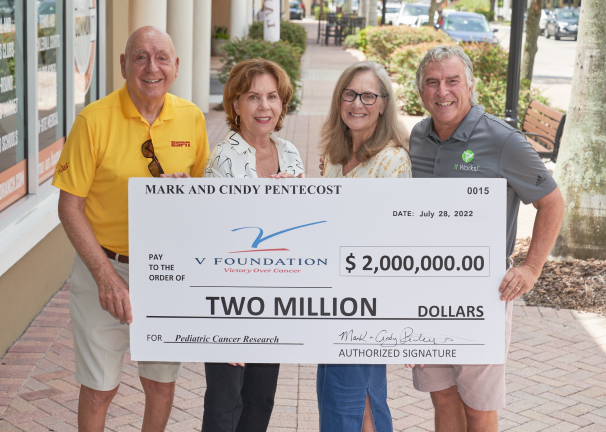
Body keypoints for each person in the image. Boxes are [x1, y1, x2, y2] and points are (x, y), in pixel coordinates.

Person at [52, 26, 210, 432]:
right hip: (103, 268)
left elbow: (209, 199)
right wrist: (105, 277)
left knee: (160, 383)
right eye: (140, 56)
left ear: (175, 66)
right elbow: (69, 206)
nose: (151, 67)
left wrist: (190, 193)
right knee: (99, 389)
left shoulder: (191, 118)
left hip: (166, 273)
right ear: (123, 65)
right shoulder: (93, 120)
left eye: (161, 57)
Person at [408, 45, 565, 431]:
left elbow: (553, 203)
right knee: (442, 395)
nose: (442, 91)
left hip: (481, 291)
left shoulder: (503, 140)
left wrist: (531, 268)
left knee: (478, 406)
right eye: (432, 82)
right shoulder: (419, 137)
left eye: (452, 81)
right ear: (420, 91)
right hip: (428, 289)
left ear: (470, 86)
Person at [202, 58, 303, 432]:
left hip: (274, 298)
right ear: (235, 105)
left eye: (272, 97)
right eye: (253, 97)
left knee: (261, 400)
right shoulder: (224, 159)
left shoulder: (289, 153)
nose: (264, 107)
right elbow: (214, 242)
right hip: (230, 299)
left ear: (283, 103)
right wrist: (229, 330)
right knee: (226, 403)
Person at [317, 61, 411, 432]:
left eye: (369, 95)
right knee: (339, 400)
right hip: (332, 300)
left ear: (384, 104)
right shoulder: (335, 157)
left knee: (357, 401)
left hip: (366, 304)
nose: (358, 103)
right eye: (350, 93)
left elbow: (394, 243)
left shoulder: (392, 159)